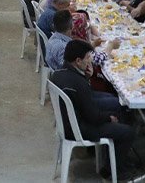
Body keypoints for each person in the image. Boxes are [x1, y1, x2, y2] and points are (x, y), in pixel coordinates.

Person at [49, 39, 134, 179]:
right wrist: (109, 118)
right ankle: (113, 171)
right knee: (127, 132)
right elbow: (92, 116)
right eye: (88, 57)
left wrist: (86, 77)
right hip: (79, 128)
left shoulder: (58, 74)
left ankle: (114, 158)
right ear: (78, 61)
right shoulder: (77, 83)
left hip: (68, 122)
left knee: (116, 107)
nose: (90, 61)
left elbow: (86, 102)